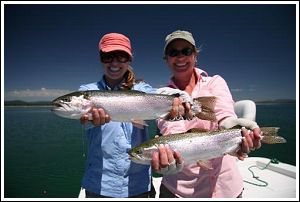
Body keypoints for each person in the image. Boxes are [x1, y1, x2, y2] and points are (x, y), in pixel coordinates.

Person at [151, 30, 262, 198]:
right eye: (173, 53)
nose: (180, 57)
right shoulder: (162, 97)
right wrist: (170, 157)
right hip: (180, 191)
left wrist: (228, 122)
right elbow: (172, 131)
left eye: (186, 51)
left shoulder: (215, 82)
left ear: (195, 55)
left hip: (227, 187)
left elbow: (224, 112)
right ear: (166, 59)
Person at [78, 32, 190, 198]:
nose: (114, 62)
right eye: (108, 56)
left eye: (121, 57)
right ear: (101, 58)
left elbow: (157, 93)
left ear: (129, 59)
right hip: (99, 186)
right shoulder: (87, 92)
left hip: (139, 186)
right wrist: (89, 119)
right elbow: (81, 116)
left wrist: (180, 97)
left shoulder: (141, 88)